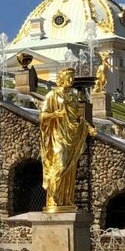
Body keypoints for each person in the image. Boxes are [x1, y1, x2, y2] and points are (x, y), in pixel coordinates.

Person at [39, 67, 97, 211]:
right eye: (68, 77)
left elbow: (78, 118)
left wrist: (89, 128)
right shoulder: (52, 95)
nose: (71, 80)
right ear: (61, 79)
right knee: (60, 166)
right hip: (58, 137)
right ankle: (53, 199)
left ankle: (65, 201)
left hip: (71, 136)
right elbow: (42, 116)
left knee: (70, 169)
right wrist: (55, 115)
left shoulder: (72, 97)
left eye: (72, 77)